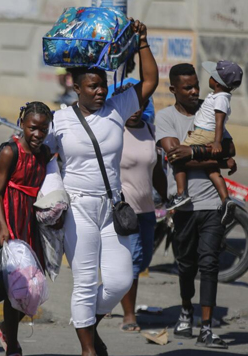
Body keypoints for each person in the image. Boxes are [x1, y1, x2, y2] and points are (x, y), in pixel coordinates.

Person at [44, 19, 158, 356]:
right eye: (92, 86)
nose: (99, 91)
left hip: (112, 207)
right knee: (83, 283)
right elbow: (34, 149)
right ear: (76, 87)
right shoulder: (60, 119)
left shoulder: (118, 108)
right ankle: (88, 350)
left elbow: (150, 80)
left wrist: (142, 41)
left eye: (102, 85)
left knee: (121, 279)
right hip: (78, 209)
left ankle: (87, 326)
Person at [155, 63, 238, 349]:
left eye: (196, 86)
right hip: (184, 207)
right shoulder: (164, 117)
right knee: (187, 265)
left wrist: (193, 151)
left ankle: (206, 327)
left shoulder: (212, 107)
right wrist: (201, 155)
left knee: (210, 263)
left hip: (212, 203)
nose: (194, 92)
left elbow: (229, 149)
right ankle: (186, 308)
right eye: (187, 88)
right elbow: (176, 156)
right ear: (173, 90)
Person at [0, 102, 54, 356]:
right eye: (33, 128)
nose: (37, 134)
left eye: (44, 129)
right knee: (14, 286)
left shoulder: (45, 154)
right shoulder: (12, 152)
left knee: (31, 286)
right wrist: (2, 228)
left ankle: (5, 329)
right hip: (6, 221)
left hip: (28, 223)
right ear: (22, 124)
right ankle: (12, 346)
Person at [116, 85, 167, 333]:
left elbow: (156, 170)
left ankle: (110, 293)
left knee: (144, 260)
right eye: (130, 105)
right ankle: (129, 316)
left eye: (140, 104)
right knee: (133, 262)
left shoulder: (149, 130)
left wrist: (167, 198)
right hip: (125, 209)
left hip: (148, 209)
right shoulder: (114, 132)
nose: (135, 110)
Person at [170, 61, 243, 226]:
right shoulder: (219, 96)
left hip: (205, 133)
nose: (208, 79)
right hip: (203, 132)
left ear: (216, 82)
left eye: (211, 76)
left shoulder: (221, 98)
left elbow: (219, 121)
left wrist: (217, 142)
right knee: (212, 169)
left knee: (177, 157)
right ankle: (226, 200)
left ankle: (181, 194)